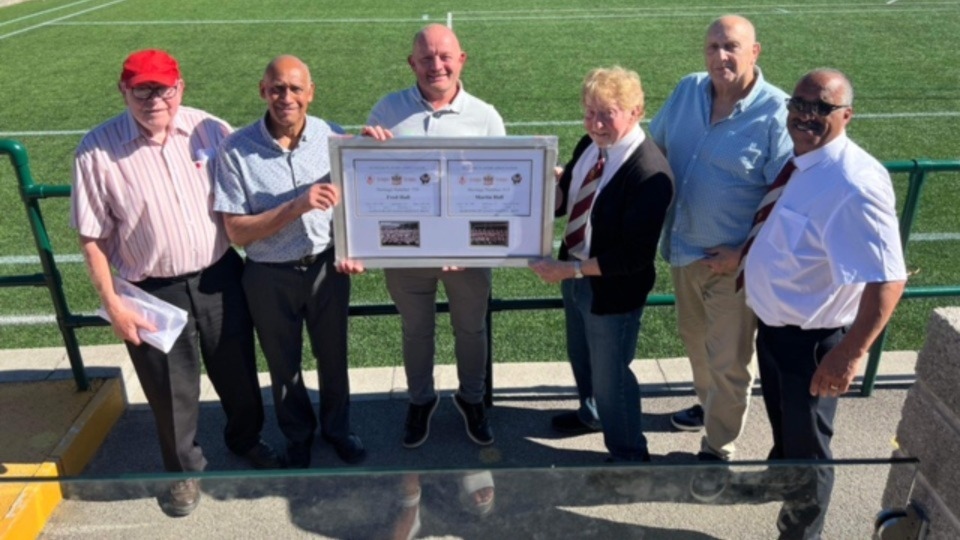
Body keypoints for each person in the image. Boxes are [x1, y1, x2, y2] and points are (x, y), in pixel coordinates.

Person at [71, 49, 281, 518]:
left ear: (179, 87)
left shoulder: (210, 128)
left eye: (162, 88)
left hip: (220, 275)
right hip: (150, 290)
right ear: (123, 91)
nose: (153, 99)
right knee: (169, 391)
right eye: (141, 89)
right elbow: (92, 239)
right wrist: (114, 305)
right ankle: (182, 469)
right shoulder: (96, 149)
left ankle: (246, 438)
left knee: (239, 371)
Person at [743, 69, 907, 538]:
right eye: (799, 104)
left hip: (814, 345)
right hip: (776, 332)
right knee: (789, 438)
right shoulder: (803, 162)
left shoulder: (854, 183)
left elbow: (888, 279)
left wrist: (849, 354)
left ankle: (800, 534)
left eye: (821, 108)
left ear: (847, 115)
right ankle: (784, 490)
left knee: (810, 454)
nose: (805, 115)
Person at [648, 15, 793, 461]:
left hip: (733, 265)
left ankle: (719, 446)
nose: (720, 56)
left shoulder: (776, 113)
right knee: (695, 341)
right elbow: (653, 149)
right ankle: (707, 405)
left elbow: (786, 199)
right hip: (683, 250)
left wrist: (743, 252)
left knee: (729, 361)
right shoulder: (688, 90)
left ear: (755, 52)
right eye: (712, 47)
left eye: (731, 46)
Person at [213, 55, 366, 469]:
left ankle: (338, 430)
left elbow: (365, 195)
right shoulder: (236, 150)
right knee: (283, 365)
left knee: (334, 357)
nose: (286, 97)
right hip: (267, 273)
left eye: (296, 88)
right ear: (262, 90)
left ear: (310, 93)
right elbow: (237, 232)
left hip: (327, 267)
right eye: (277, 88)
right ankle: (298, 435)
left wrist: (375, 146)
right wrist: (296, 206)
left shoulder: (333, 136)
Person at [362, 24, 505, 450]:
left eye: (444, 56)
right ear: (412, 63)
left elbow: (501, 197)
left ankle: (472, 398)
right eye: (426, 58)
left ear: (462, 60)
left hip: (467, 256)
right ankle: (421, 400)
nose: (435, 65)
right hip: (404, 249)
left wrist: (470, 247)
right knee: (415, 331)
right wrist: (366, 149)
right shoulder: (386, 110)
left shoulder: (486, 116)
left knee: (472, 331)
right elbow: (365, 183)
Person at [530, 66, 674, 462]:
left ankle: (630, 454)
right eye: (590, 111)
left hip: (611, 287)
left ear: (636, 111)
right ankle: (591, 414)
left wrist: (570, 271)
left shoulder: (650, 173)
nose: (596, 123)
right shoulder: (589, 145)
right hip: (575, 276)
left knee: (612, 377)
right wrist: (541, 185)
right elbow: (565, 201)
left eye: (607, 113)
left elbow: (633, 257)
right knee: (583, 358)